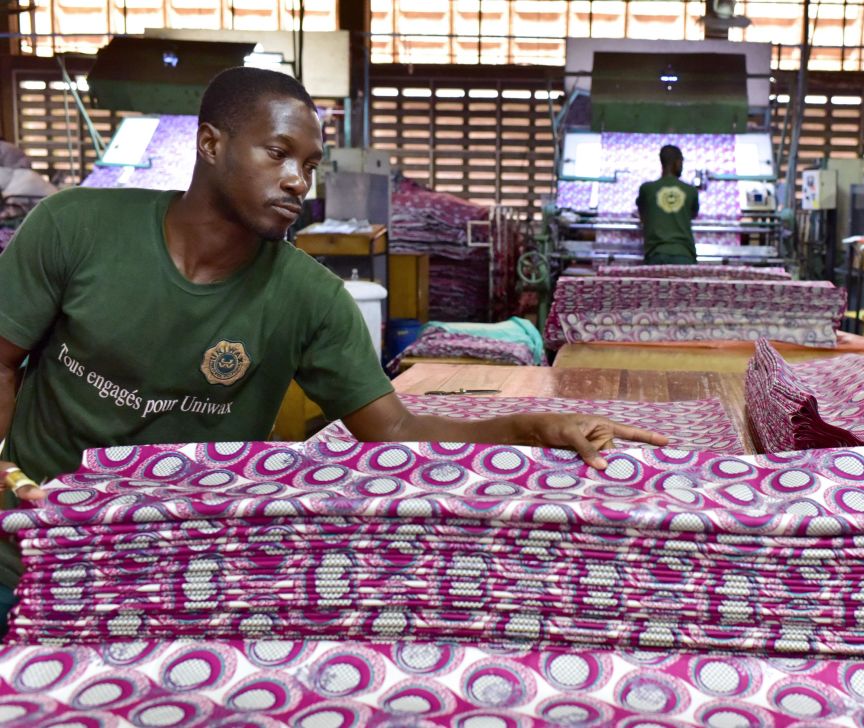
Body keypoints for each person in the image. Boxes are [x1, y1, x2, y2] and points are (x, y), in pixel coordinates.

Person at [0, 67, 667, 623]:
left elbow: (395, 428)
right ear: (209, 144)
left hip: (179, 569)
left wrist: (532, 424)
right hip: (27, 549)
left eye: (311, 165)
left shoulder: (309, 300)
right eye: (279, 153)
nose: (299, 181)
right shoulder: (78, 228)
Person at [635, 145, 699, 265]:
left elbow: (642, 216)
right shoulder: (691, 191)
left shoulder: (647, 189)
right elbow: (692, 215)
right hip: (684, 254)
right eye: (681, 162)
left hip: (655, 253)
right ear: (677, 162)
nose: (682, 166)